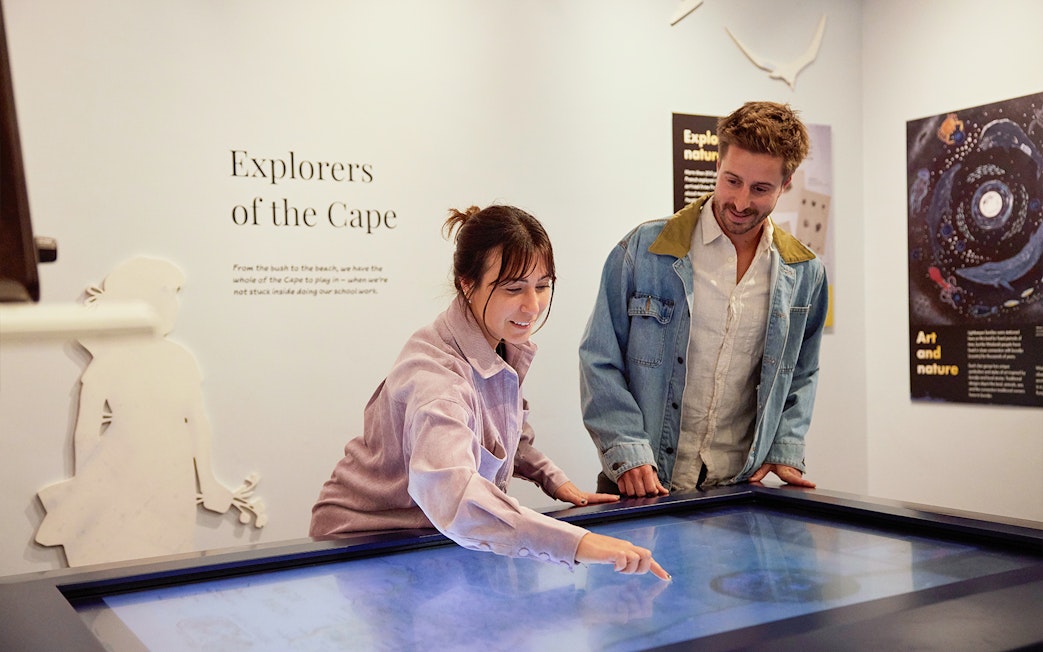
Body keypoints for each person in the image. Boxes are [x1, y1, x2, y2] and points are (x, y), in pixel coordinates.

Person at [311, 204, 670, 580]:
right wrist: (578, 543)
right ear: (468, 284)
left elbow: (500, 435)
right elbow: (454, 494)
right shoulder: (437, 379)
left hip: (433, 536)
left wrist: (554, 480)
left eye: (542, 285)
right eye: (514, 288)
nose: (532, 306)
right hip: (367, 541)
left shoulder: (498, 340)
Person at [579, 101, 828, 497]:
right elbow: (599, 359)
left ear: (787, 183)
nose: (742, 202)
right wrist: (626, 448)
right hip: (641, 486)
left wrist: (786, 444)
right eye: (732, 181)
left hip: (737, 490)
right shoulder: (643, 251)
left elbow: (802, 371)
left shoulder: (805, 273)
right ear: (717, 164)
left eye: (761, 188)